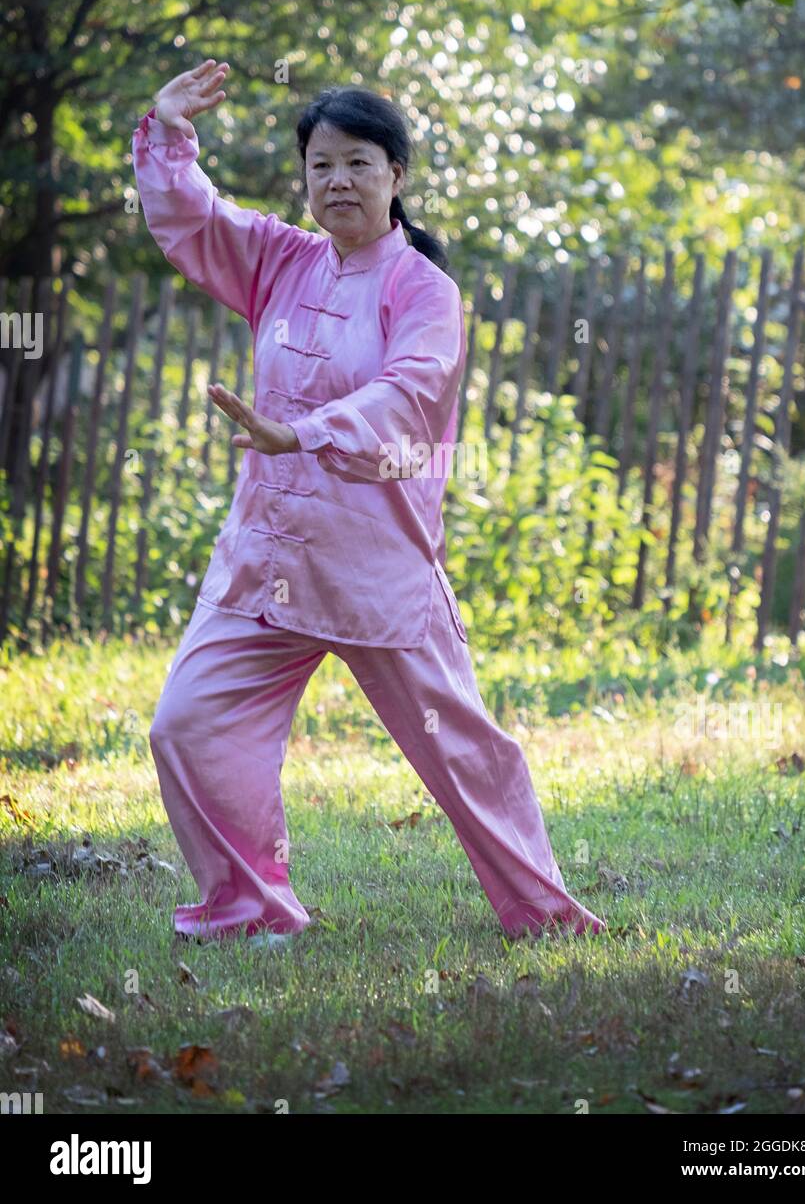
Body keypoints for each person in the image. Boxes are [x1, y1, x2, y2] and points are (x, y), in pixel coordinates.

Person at [132, 58, 606, 948]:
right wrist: (169, 130)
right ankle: (249, 905)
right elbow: (196, 217)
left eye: (358, 162)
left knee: (461, 752)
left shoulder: (423, 290)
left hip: (376, 570)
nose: (338, 180)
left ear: (395, 175)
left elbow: (410, 391)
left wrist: (303, 434)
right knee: (187, 725)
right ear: (305, 178)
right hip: (266, 564)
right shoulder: (279, 259)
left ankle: (547, 915)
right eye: (321, 165)